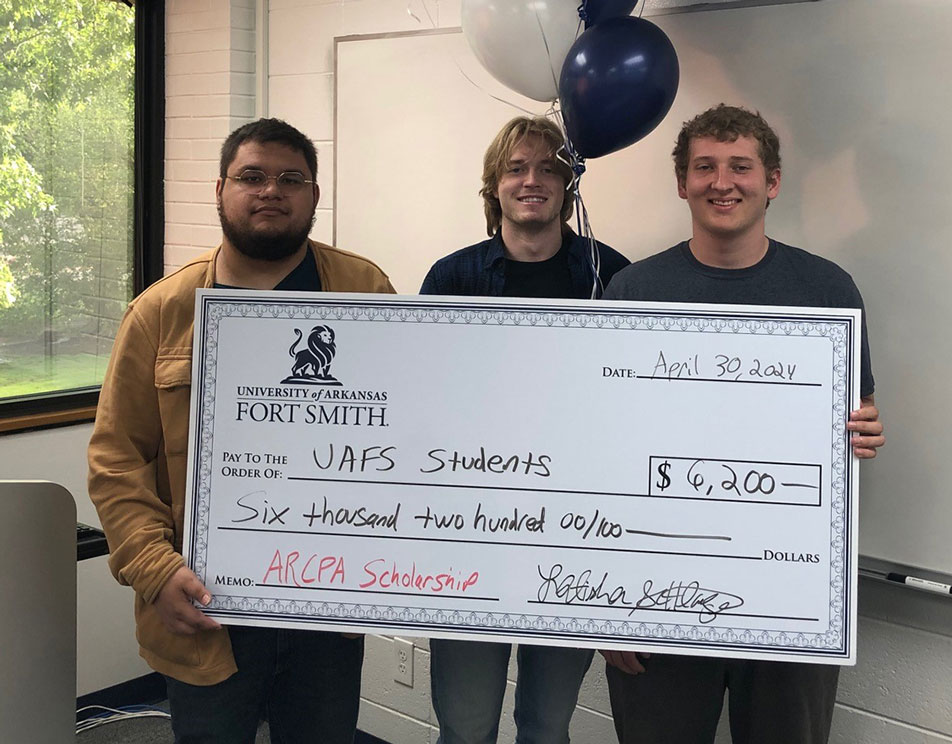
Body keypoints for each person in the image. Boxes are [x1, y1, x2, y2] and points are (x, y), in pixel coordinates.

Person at [88, 118, 394, 743]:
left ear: (314, 194)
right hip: (204, 611)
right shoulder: (161, 313)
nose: (271, 191)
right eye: (252, 176)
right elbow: (117, 461)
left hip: (325, 610)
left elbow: (411, 429)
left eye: (291, 178)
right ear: (221, 188)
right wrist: (153, 567)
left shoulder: (365, 289)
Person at [599, 104, 886, 744]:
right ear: (681, 182)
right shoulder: (631, 291)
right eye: (704, 166)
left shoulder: (827, 291)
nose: (721, 182)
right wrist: (607, 611)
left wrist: (864, 431)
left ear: (772, 181)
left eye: (740, 167)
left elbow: (854, 419)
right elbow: (603, 453)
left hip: (793, 593)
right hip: (657, 595)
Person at [421, 116, 629, 744]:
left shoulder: (614, 278)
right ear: (494, 187)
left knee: (546, 726)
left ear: (569, 185)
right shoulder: (451, 280)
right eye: (516, 168)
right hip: (468, 536)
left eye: (548, 168)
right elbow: (419, 407)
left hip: (573, 538)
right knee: (465, 726)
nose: (532, 180)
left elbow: (636, 412)